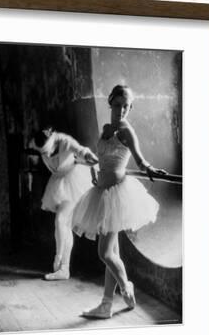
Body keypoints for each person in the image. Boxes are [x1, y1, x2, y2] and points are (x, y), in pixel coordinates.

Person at [72, 84, 167, 318]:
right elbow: (101, 157)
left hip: (117, 194)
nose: (122, 110)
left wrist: (149, 167)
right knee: (112, 252)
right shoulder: (106, 128)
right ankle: (105, 304)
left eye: (127, 106)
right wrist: (95, 169)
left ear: (130, 107)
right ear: (110, 103)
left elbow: (140, 159)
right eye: (118, 105)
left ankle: (126, 287)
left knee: (104, 253)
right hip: (101, 192)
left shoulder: (126, 130)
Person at [29, 128, 98, 280]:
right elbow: (33, 145)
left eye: (48, 150)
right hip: (57, 184)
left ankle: (59, 257)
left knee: (60, 221)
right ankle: (64, 269)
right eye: (43, 152)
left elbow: (81, 150)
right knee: (65, 225)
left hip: (73, 182)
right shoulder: (36, 142)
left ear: (53, 141)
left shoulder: (65, 141)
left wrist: (89, 157)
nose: (46, 155)